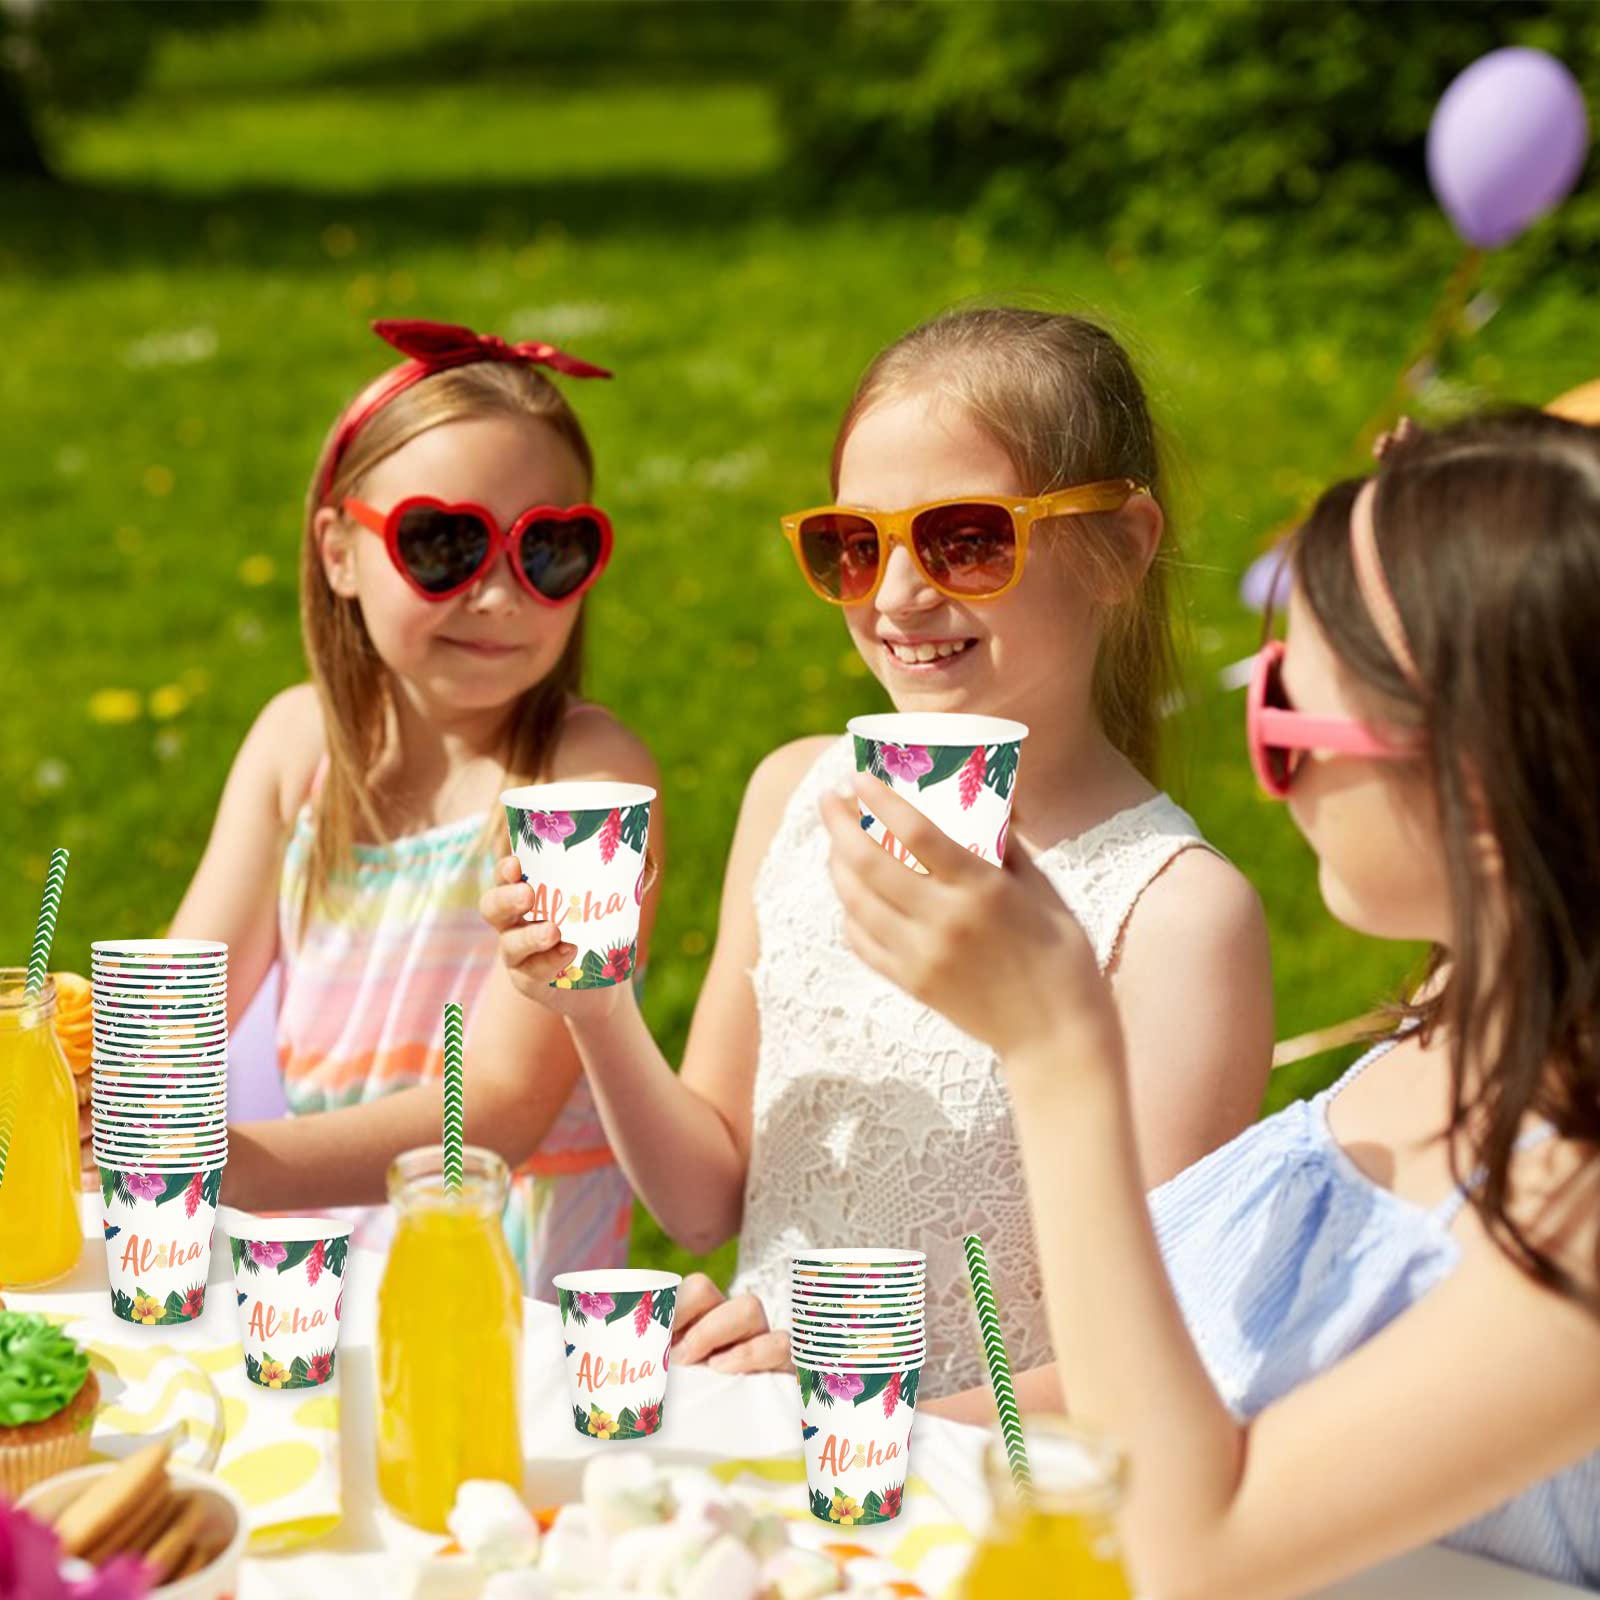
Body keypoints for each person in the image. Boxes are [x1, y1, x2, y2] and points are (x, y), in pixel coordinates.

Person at [822, 409, 1600, 1591]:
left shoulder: (1576, 1202)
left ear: (1481, 792)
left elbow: (1189, 1547)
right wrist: (834, 1430)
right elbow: (1191, 1386)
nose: (1262, 767)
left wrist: (1055, 1041)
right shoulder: (1479, 999)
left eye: (1283, 716)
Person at [485, 307, 1273, 1400]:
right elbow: (708, 1201)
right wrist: (596, 1004)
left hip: (989, 1512)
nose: (898, 594)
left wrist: (861, 1403)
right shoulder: (795, 796)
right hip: (770, 1467)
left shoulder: (1175, 916)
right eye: (854, 546)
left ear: (1119, 550)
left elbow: (1156, 1360)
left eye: (966, 538)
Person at [172, 318, 660, 1297]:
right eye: (445, 542)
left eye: (549, 550)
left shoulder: (581, 774)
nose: (497, 596)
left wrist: (228, 1165)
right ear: (339, 552)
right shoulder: (296, 745)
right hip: (306, 1260)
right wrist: (80, 1084)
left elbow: (501, 1107)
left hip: (497, 1270)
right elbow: (181, 1000)